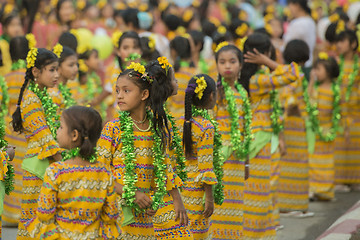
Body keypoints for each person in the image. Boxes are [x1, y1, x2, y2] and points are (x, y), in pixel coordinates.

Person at [96, 59, 188, 239]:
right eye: (117, 91)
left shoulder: (158, 127)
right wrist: (131, 193)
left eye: (126, 90)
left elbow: (164, 167)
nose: (119, 96)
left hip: (145, 213)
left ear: (144, 94)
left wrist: (177, 200)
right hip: (116, 210)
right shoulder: (113, 128)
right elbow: (99, 171)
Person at [240, 32, 301, 238]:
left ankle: (263, 226)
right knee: (261, 188)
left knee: (259, 186)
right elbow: (294, 74)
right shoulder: (259, 79)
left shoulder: (245, 76)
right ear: (264, 54)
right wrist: (268, 61)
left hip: (257, 135)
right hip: (261, 137)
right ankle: (258, 230)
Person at [26, 106, 120, 239]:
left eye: (61, 127)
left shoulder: (56, 171)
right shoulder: (104, 172)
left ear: (74, 135)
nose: (57, 131)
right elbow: (111, 214)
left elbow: (44, 213)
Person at [12, 48, 62, 239]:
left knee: (44, 218)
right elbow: (45, 138)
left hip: (45, 163)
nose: (56, 75)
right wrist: (63, 164)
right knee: (34, 217)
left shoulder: (41, 95)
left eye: (57, 69)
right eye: (51, 70)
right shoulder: (31, 98)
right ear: (36, 72)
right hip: (37, 167)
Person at [211, 43, 249, 239]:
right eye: (222, 62)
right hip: (219, 157)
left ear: (240, 65)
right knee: (219, 203)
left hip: (237, 158)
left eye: (232, 62)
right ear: (216, 65)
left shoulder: (242, 93)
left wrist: (247, 162)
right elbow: (210, 126)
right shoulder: (215, 93)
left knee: (235, 204)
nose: (227, 66)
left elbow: (245, 129)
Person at [180, 74, 220, 239]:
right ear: (211, 96)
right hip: (197, 192)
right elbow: (206, 167)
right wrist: (209, 198)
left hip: (181, 188)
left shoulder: (180, 122)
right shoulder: (206, 126)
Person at [278, 39, 313, 217]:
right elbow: (289, 97)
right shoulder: (296, 74)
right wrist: (295, 109)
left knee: (287, 164)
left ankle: (287, 205)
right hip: (294, 125)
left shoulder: (285, 71)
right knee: (296, 164)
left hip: (288, 124)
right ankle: (292, 206)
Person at [2, 35, 29, 226]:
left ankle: (8, 215)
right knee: (23, 171)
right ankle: (23, 214)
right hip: (25, 129)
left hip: (9, 130)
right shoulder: (29, 78)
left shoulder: (5, 78)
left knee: (9, 169)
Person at [307, 53, 340, 202]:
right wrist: (312, 81)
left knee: (327, 163)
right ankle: (313, 190)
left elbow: (339, 110)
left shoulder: (335, 90)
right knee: (313, 162)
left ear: (328, 71)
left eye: (318, 69)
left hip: (328, 130)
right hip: (315, 131)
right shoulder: (316, 88)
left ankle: (325, 191)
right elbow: (308, 99)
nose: (315, 72)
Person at [334, 30, 360, 191]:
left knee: (356, 147)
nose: (339, 45)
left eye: (342, 41)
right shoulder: (335, 63)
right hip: (339, 111)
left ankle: (356, 180)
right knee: (340, 146)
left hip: (356, 111)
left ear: (353, 44)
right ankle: (340, 181)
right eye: (338, 41)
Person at [167, 36, 197, 118]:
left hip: (172, 118)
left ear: (173, 51)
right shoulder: (196, 72)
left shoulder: (170, 73)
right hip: (190, 118)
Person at [283, 0, 316, 77]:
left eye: (290, 5)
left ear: (297, 5)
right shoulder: (310, 20)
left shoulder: (298, 23)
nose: (289, 9)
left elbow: (287, 45)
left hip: (297, 67)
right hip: (308, 64)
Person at [49, 44, 78, 112]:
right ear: (58, 68)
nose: (76, 69)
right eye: (71, 65)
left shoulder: (65, 89)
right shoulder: (53, 94)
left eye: (76, 64)